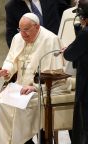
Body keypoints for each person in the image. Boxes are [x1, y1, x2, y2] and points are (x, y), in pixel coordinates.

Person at [0, 13, 72, 144]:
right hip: (20, 86)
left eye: (26, 30)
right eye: (20, 30)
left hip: (45, 87)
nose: (23, 34)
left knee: (21, 106)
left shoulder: (50, 40)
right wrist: (6, 70)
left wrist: (35, 87)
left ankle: (23, 141)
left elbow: (55, 74)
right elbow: (11, 59)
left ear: (37, 27)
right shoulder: (17, 38)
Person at [63, 0, 88, 143]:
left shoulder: (85, 33)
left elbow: (69, 55)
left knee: (85, 126)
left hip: (86, 86)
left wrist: (67, 50)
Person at [5, 0, 70, 47]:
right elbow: (11, 37)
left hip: (59, 45)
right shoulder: (11, 6)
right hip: (34, 51)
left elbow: (67, 13)